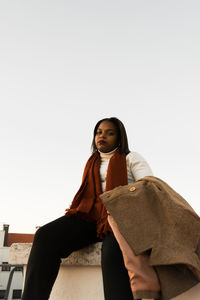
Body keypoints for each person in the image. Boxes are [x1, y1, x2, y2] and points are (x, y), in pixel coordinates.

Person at [22, 117, 157, 300]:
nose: (102, 136)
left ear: (119, 138)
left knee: (113, 252)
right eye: (99, 132)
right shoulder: (92, 161)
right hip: (90, 217)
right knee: (45, 236)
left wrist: (121, 199)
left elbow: (149, 185)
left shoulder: (131, 157)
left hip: (120, 219)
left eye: (110, 133)